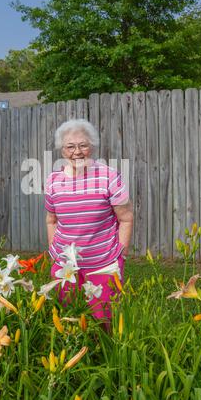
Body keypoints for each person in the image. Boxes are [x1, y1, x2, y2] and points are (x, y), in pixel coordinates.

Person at [45, 119, 133, 323]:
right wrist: (53, 253)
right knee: (67, 318)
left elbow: (126, 218)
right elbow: (51, 220)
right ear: (62, 150)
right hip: (65, 265)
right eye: (70, 146)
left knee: (104, 320)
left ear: (91, 146)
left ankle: (105, 354)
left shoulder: (109, 177)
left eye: (83, 145)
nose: (77, 151)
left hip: (103, 263)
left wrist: (121, 254)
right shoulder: (53, 181)